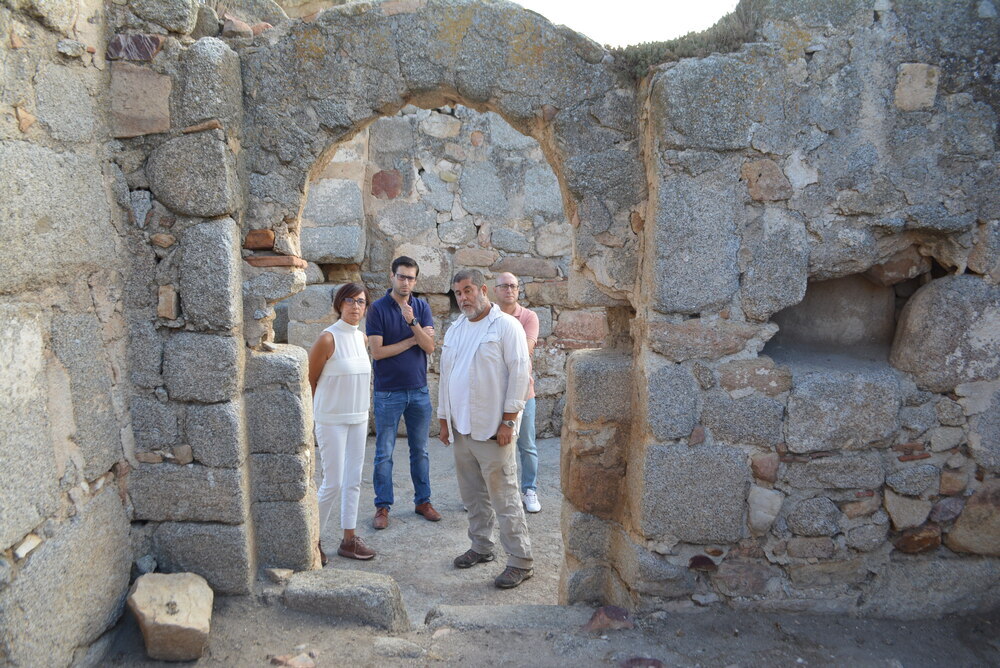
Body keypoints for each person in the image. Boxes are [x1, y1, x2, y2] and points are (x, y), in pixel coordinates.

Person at [438, 268, 534, 589]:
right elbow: (446, 377)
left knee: (504, 496)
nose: (463, 298)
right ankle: (481, 546)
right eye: (458, 293)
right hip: (461, 429)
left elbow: (520, 373)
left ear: (483, 290)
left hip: (494, 428)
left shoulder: (506, 327)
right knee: (473, 495)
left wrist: (509, 420)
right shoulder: (454, 330)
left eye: (468, 291)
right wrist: (443, 419)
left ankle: (520, 561)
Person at [366, 256, 440, 529]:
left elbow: (430, 347)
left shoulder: (421, 307)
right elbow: (378, 352)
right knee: (384, 452)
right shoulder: (377, 309)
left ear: (415, 281)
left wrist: (413, 323)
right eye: (401, 276)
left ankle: (423, 501)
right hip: (388, 393)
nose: (406, 281)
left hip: (419, 391)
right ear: (392, 276)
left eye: (410, 278)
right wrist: (414, 338)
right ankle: (382, 507)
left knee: (420, 450)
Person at [308, 283, 376, 563]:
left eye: (360, 301)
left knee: (353, 481)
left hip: (358, 418)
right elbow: (310, 380)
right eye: (349, 301)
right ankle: (313, 541)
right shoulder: (328, 339)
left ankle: (349, 540)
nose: (355, 306)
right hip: (331, 419)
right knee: (333, 483)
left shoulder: (362, 339)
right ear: (339, 304)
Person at [492, 272, 542, 513]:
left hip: (524, 393)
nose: (509, 290)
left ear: (518, 289)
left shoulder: (529, 317)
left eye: (513, 286)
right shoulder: (489, 316)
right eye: (504, 286)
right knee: (492, 445)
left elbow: (526, 351)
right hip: (493, 392)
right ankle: (494, 493)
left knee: (526, 444)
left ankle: (529, 489)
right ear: (495, 290)